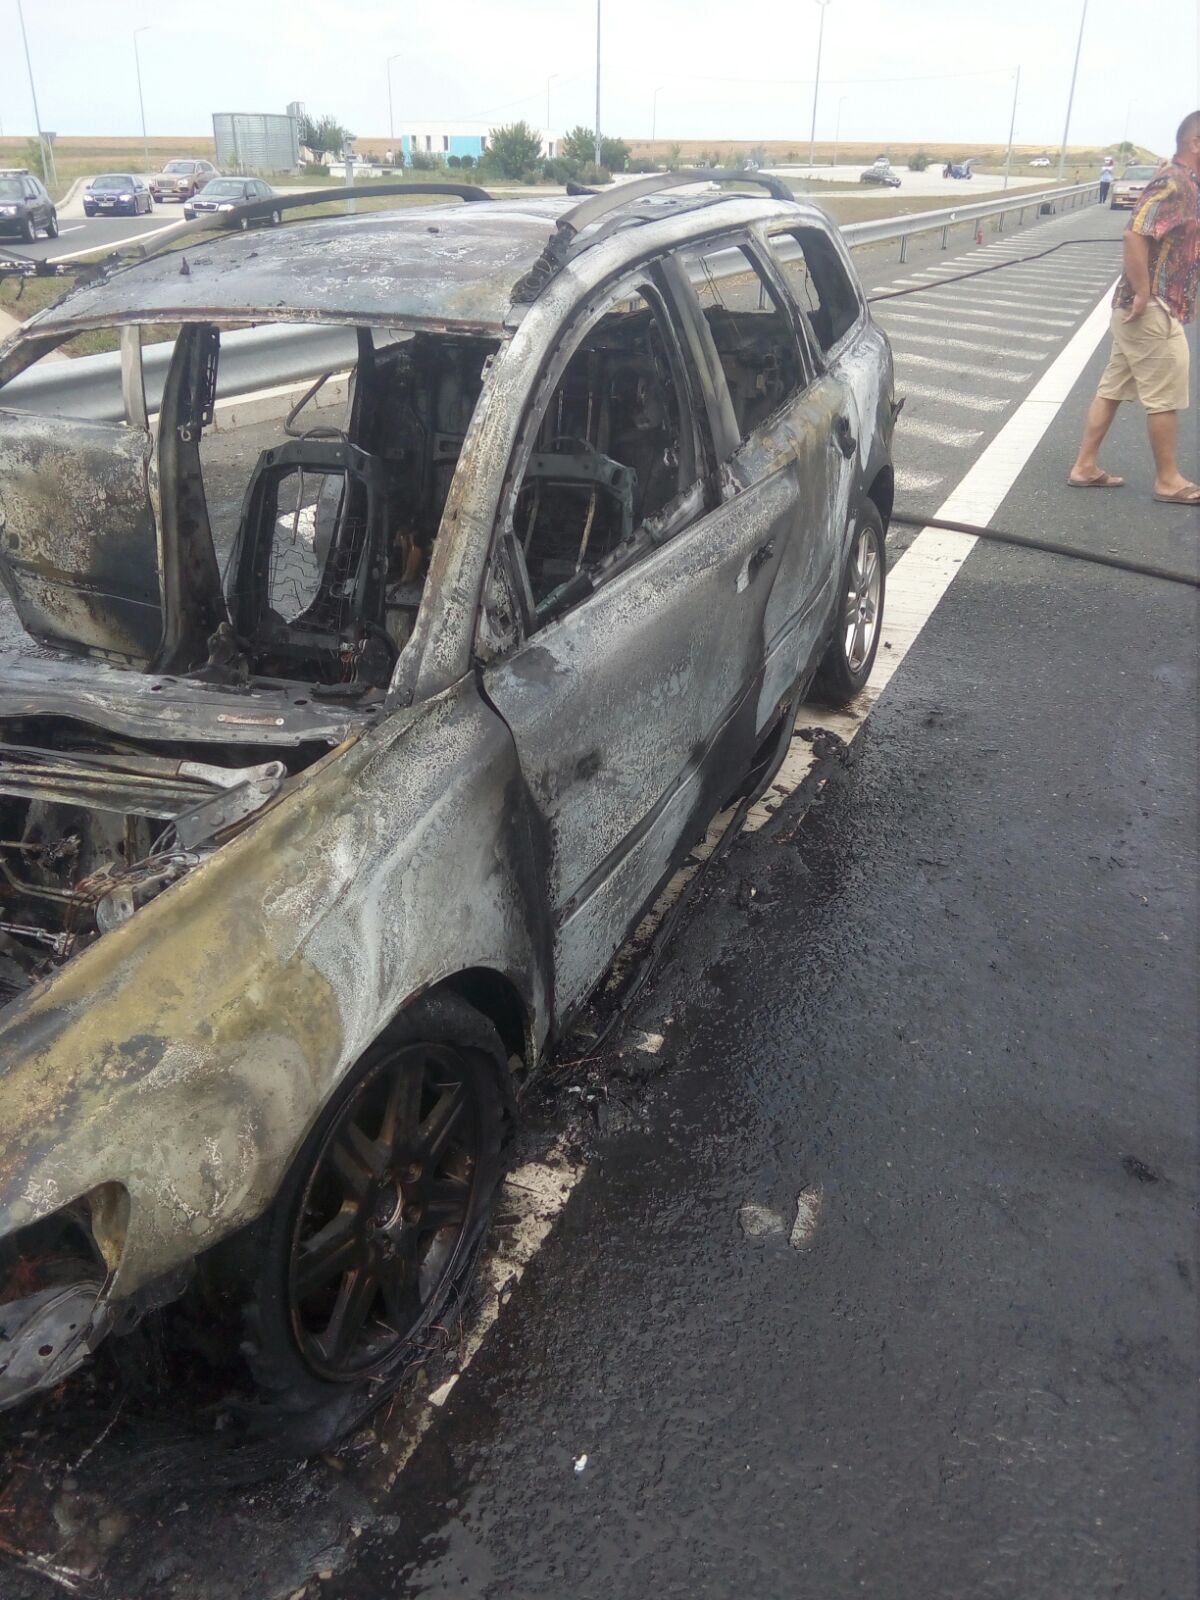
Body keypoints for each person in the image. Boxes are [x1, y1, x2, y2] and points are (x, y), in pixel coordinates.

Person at [1069, 111, 1200, 503]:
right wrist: (1144, 292)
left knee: (1113, 388)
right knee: (1166, 392)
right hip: (1150, 307)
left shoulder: (1188, 183)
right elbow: (1134, 234)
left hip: (1143, 308)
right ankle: (1168, 480)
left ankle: (1084, 467)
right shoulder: (1174, 182)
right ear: (1196, 144)